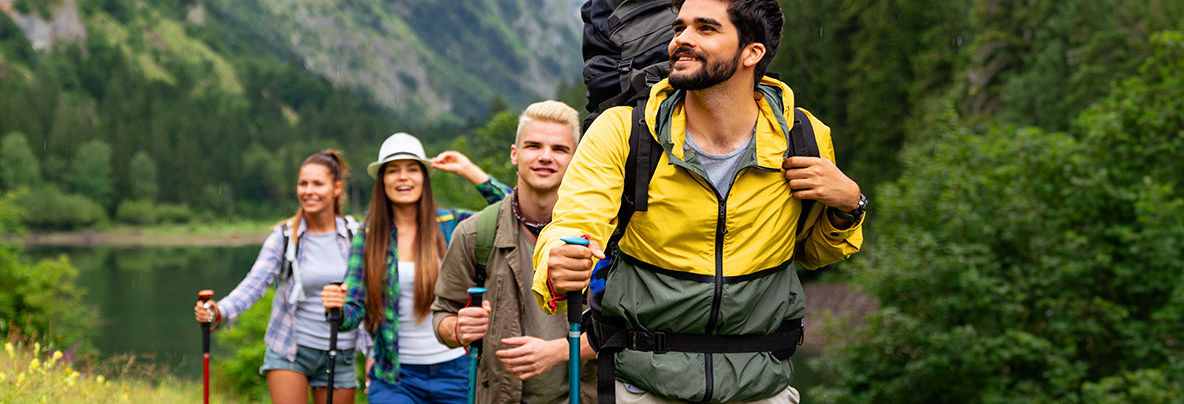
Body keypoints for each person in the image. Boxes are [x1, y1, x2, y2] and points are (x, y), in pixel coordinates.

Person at [531, 0, 867, 402]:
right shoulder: (623, 131)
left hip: (760, 387)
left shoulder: (804, 136)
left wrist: (850, 206)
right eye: (679, 28)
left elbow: (813, 253)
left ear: (752, 52)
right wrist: (558, 256)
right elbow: (574, 222)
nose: (681, 41)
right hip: (644, 385)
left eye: (705, 29)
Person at [321, 132, 510, 403]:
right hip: (395, 378)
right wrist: (336, 307)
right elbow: (351, 313)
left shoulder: (454, 224)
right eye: (393, 170)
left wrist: (469, 171)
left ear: (424, 177)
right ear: (382, 181)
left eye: (412, 169)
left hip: (457, 370)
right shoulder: (369, 235)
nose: (403, 177)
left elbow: (516, 213)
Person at [432, 101, 598, 403]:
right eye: (533, 146)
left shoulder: (600, 237)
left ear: (576, 159)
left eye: (559, 149)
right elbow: (441, 317)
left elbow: (628, 329)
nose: (545, 157)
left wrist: (559, 351)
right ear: (514, 154)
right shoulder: (475, 234)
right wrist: (458, 328)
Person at [194, 150, 369, 404]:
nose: (308, 190)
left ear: (336, 188)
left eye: (318, 184)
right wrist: (219, 312)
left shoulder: (357, 236)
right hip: (290, 350)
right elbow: (254, 284)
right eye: (303, 183)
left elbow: (371, 297)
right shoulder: (285, 236)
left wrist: (374, 351)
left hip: (340, 353)